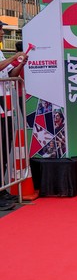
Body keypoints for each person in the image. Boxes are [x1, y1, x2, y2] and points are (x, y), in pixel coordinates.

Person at [0, 21, 28, 210]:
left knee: (5, 148)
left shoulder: (0, 51)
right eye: (1, 29)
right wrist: (14, 57)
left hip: (6, 105)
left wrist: (20, 64)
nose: (2, 32)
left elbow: (11, 73)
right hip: (1, 105)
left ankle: (2, 189)